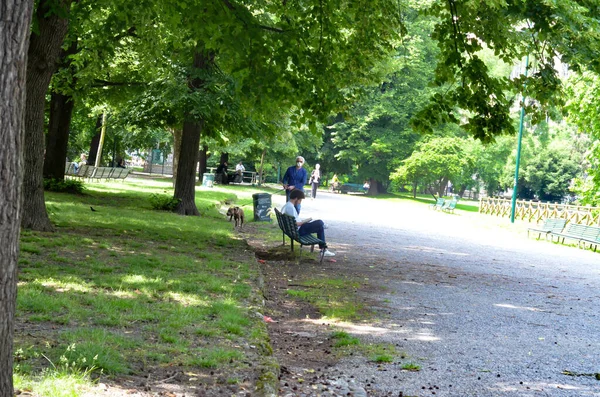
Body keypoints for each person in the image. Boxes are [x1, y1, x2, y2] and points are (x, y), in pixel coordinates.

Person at [281, 189, 335, 257]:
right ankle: (323, 249)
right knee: (319, 222)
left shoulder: (287, 205)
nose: (300, 202)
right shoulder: (290, 208)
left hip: (294, 230)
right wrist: (305, 221)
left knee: (320, 228)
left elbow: (294, 222)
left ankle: (323, 249)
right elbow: (297, 223)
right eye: (300, 200)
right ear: (296, 198)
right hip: (299, 231)